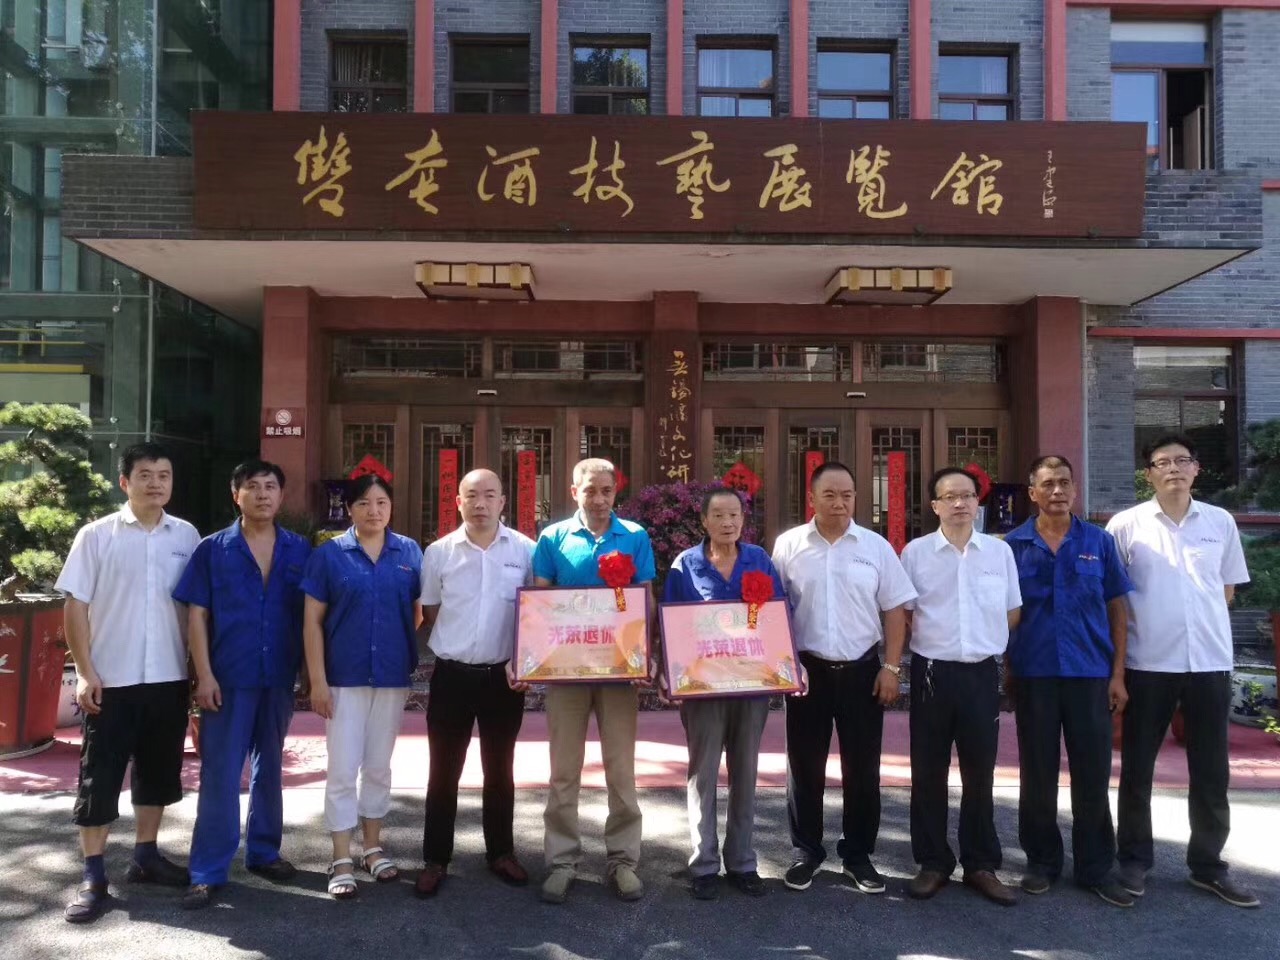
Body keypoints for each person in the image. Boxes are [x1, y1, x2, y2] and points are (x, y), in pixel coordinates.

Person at [1106, 434, 1259, 908]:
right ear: (1148, 474)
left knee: (1211, 769)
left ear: (1196, 469)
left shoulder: (1220, 522)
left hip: (1209, 663)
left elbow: (1227, 590)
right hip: (1149, 663)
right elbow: (1115, 601)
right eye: (1162, 462)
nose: (1173, 468)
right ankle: (1134, 860)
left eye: (1182, 460)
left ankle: (1208, 865)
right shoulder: (1126, 526)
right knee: (1137, 768)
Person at [55, 443, 201, 924]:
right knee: (99, 777)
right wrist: (85, 672)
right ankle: (93, 874)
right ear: (125, 482)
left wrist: (197, 670)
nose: (156, 483)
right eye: (145, 474)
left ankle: (146, 855)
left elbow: (194, 610)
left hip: (168, 677)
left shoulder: (186, 536)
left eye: (164, 475)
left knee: (158, 772)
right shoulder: (96, 535)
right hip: (110, 680)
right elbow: (75, 605)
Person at [770, 462, 917, 895]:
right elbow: (773, 608)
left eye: (847, 495)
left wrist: (892, 667)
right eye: (830, 494)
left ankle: (858, 855)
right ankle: (806, 851)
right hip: (807, 671)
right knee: (804, 766)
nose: (839, 502)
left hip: (863, 671)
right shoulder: (789, 545)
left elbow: (895, 609)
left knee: (863, 768)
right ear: (811, 498)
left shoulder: (875, 546)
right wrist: (783, 665)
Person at [172, 460, 311, 909]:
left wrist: (310, 671)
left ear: (281, 495)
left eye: (271, 486)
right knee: (220, 773)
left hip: (278, 676)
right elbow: (197, 616)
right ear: (237, 495)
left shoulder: (299, 549)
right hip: (228, 677)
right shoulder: (213, 549)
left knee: (270, 767)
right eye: (253, 486)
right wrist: (204, 674)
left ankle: (264, 852)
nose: (263, 494)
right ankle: (207, 870)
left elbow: (310, 616)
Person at [1004, 455, 1135, 908]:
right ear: (1032, 492)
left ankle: (1096, 867)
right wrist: (1007, 670)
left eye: (1064, 483)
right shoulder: (1011, 547)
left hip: (1090, 673)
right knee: (1037, 773)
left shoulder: (1099, 542)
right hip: (1034, 673)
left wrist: (1118, 673)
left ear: (1075, 490)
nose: (1057, 491)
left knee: (1092, 774)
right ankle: (1041, 861)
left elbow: (1117, 609)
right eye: (1047, 484)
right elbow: (1003, 612)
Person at [533, 458, 656, 904]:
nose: (600, 499)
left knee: (620, 771)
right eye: (590, 490)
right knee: (564, 772)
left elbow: (645, 601)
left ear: (615, 492)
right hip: (567, 672)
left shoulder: (635, 536)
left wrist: (644, 657)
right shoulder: (553, 538)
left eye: (607, 490)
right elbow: (540, 604)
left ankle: (622, 860)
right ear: (574, 491)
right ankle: (562, 861)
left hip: (618, 671)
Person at [900, 467, 1022, 906]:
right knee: (928, 771)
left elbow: (1012, 610)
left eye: (967, 495)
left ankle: (981, 864)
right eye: (949, 496)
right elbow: (904, 611)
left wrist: (985, 642)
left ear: (977, 502)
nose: (959, 503)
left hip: (980, 674)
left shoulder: (998, 552)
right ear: (934, 505)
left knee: (979, 771)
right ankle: (933, 862)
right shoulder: (915, 553)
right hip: (932, 673)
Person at [301, 475, 423, 900]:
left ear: (391, 507)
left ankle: (372, 848)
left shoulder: (409, 552)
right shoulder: (329, 555)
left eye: (382, 502)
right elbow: (312, 622)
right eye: (365, 503)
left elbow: (417, 612)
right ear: (349, 509)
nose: (374, 511)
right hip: (343, 679)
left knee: (378, 766)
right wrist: (317, 680)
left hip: (390, 676)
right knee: (342, 768)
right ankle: (341, 858)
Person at [662, 488, 788, 900]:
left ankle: (742, 862)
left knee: (746, 770)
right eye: (718, 515)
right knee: (703, 773)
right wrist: (668, 671)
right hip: (703, 687)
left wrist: (789, 664)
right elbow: (671, 623)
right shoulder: (686, 565)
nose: (728, 522)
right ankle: (703, 863)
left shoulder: (759, 560)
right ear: (704, 521)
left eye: (734, 514)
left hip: (751, 685)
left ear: (743, 519)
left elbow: (779, 615)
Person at [415, 468, 535, 898]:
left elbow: (535, 613)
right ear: (458, 501)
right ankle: (435, 858)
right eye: (471, 495)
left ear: (503, 501)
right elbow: (431, 611)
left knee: (500, 770)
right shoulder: (439, 552)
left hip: (503, 679)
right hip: (452, 676)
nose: (480, 503)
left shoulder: (526, 551)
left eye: (489, 495)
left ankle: (501, 852)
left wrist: (524, 663)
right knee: (442, 772)